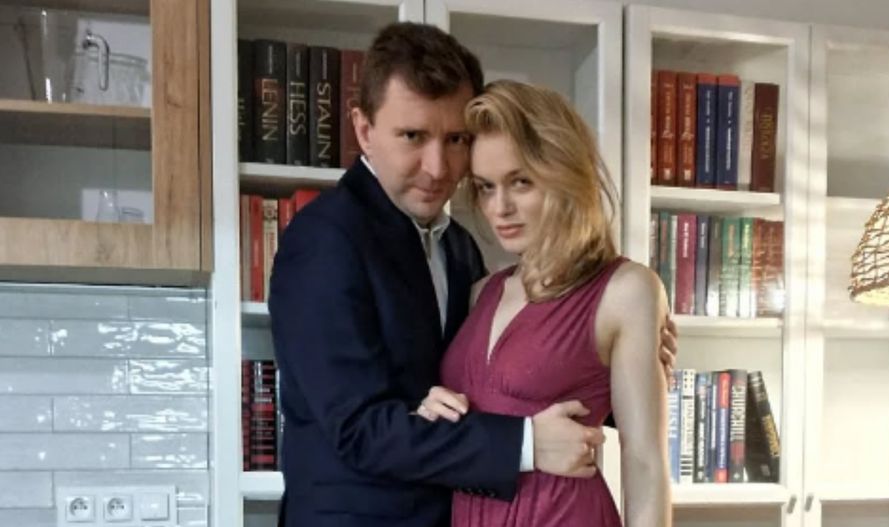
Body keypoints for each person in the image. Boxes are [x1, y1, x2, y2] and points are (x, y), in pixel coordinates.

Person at [268, 22, 677, 527]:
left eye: (456, 139)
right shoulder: (324, 239)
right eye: (413, 136)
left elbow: (501, 380)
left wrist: (624, 367)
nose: (438, 167)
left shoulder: (458, 248)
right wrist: (527, 443)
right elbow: (358, 428)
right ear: (364, 130)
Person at [417, 80, 671, 527]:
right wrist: (431, 415)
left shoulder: (626, 290)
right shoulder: (482, 292)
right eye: (486, 187)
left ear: (563, 174)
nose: (500, 208)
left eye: (520, 182)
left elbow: (645, 461)